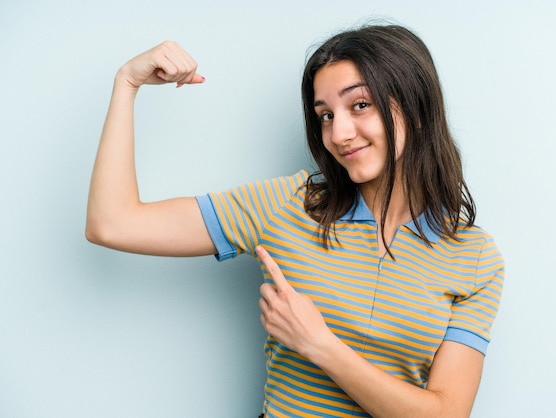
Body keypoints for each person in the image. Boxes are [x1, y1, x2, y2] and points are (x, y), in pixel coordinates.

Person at [86, 23, 504, 418]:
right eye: (325, 115)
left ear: (415, 108)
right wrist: (127, 84)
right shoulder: (288, 204)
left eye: (360, 105)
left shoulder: (476, 258)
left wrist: (319, 344)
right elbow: (113, 223)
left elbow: (448, 412)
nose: (338, 133)